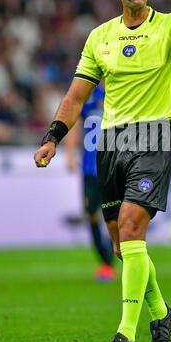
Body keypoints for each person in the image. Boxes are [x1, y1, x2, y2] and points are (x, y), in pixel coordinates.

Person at [34, 0, 171, 342]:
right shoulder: (99, 37)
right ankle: (162, 314)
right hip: (110, 144)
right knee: (123, 246)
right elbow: (75, 96)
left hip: (153, 140)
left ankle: (125, 335)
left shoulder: (170, 28)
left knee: (133, 228)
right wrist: (52, 136)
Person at [65, 85, 116, 281]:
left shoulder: (120, 90)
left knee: (114, 215)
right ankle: (105, 261)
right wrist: (70, 154)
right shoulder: (89, 95)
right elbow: (75, 123)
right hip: (90, 167)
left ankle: (110, 261)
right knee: (91, 213)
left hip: (113, 164)